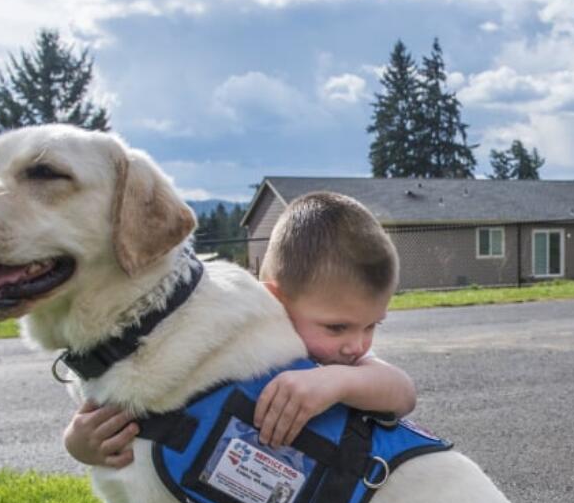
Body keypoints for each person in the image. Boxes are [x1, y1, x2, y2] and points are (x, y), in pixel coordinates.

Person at [63, 191, 416, 468]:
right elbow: (138, 401)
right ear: (275, 299)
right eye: (337, 327)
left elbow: (402, 394)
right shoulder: (231, 343)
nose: (356, 346)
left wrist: (336, 382)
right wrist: (78, 443)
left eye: (371, 326)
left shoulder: (339, 367)